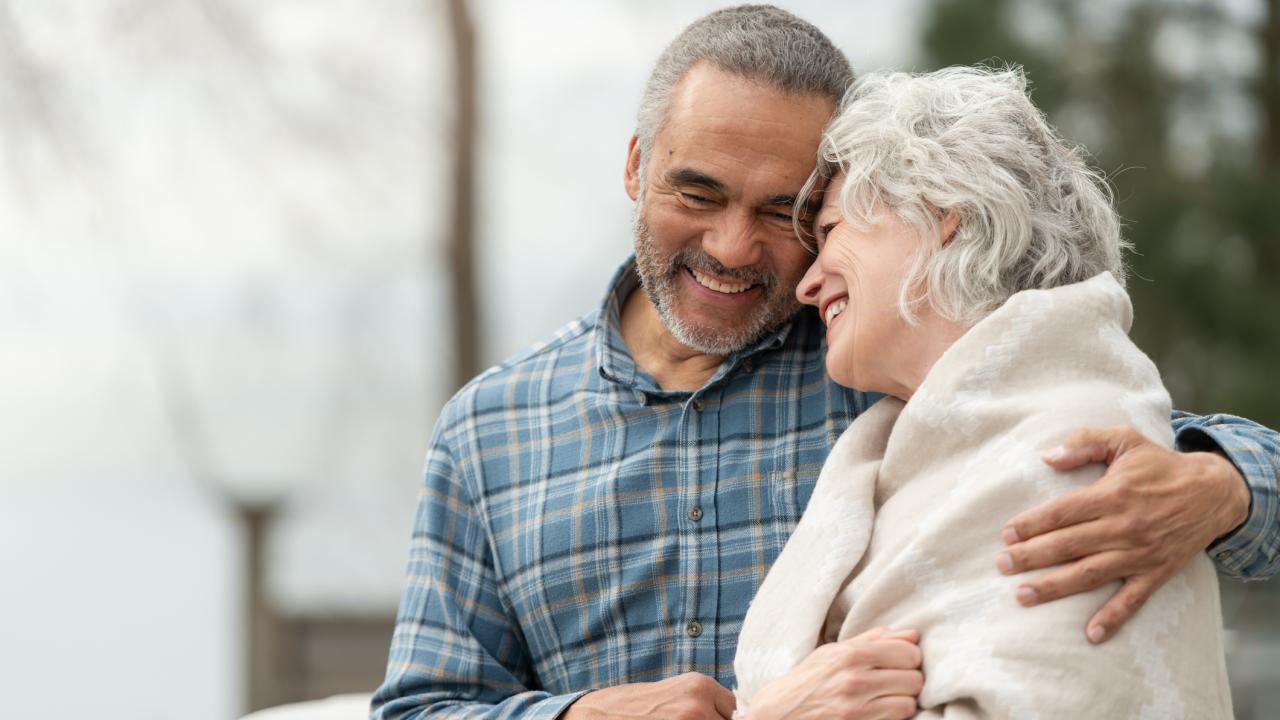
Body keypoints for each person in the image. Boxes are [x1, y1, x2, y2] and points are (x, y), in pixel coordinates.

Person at [371, 6, 1280, 719]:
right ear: (636, 166)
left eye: (785, 213)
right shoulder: (489, 430)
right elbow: (418, 707)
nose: (731, 247)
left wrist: (1220, 484)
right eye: (697, 192)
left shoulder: (879, 356)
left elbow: (1071, 401)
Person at [734, 64, 1232, 719]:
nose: (807, 284)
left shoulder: (1077, 450)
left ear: (939, 213)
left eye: (830, 234)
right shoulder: (930, 450)